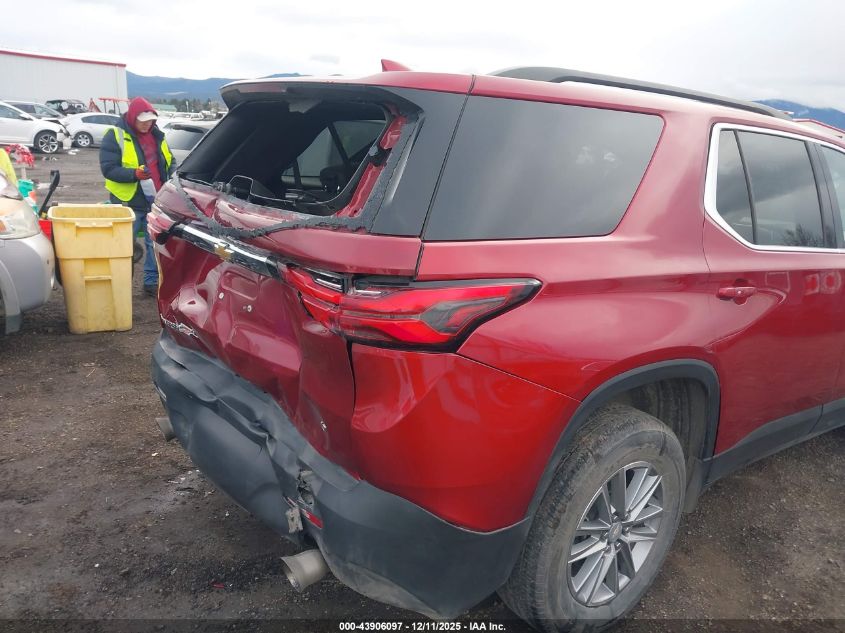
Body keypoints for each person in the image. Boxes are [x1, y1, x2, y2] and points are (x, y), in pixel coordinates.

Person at [99, 96, 174, 296]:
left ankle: (151, 283)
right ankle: (120, 284)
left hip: (155, 201)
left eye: (151, 120)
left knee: (154, 245)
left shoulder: (158, 136)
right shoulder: (115, 135)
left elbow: (170, 161)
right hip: (128, 202)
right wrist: (134, 174)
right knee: (123, 246)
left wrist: (172, 179)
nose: (147, 124)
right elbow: (108, 169)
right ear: (133, 117)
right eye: (143, 121)